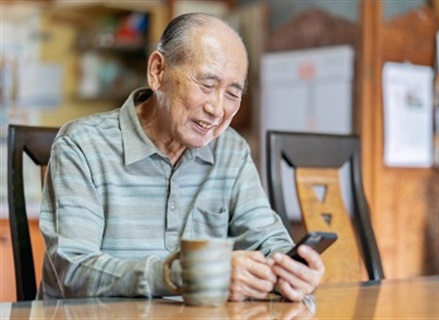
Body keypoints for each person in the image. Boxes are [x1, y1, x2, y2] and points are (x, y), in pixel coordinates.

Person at [38, 12, 324, 302]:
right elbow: (73, 272)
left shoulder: (230, 151)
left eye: (232, 94)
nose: (217, 108)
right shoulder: (82, 146)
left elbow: (267, 239)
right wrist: (184, 274)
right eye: (207, 85)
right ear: (158, 71)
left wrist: (291, 270)